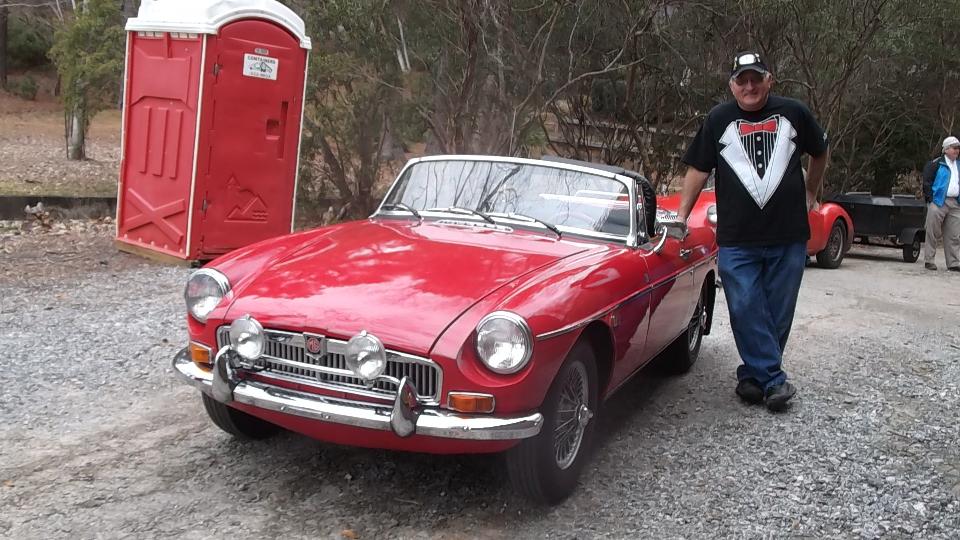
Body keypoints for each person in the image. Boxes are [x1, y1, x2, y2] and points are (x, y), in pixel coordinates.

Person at [676, 51, 829, 412]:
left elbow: (820, 150)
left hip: (788, 235)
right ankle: (773, 380)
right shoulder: (718, 118)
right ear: (732, 85)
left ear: (768, 80)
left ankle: (752, 376)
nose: (749, 86)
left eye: (755, 78)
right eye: (741, 80)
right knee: (745, 306)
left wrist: (811, 192)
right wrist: (681, 215)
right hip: (737, 238)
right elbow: (698, 169)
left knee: (777, 312)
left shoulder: (794, 112)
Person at [920, 136, 960, 272]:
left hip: (955, 203)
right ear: (946, 149)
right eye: (954, 148)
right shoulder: (935, 164)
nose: (957, 151)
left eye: (958, 148)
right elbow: (927, 182)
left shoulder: (959, 165)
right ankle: (929, 260)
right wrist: (930, 199)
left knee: (954, 235)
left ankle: (953, 262)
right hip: (938, 201)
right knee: (932, 232)